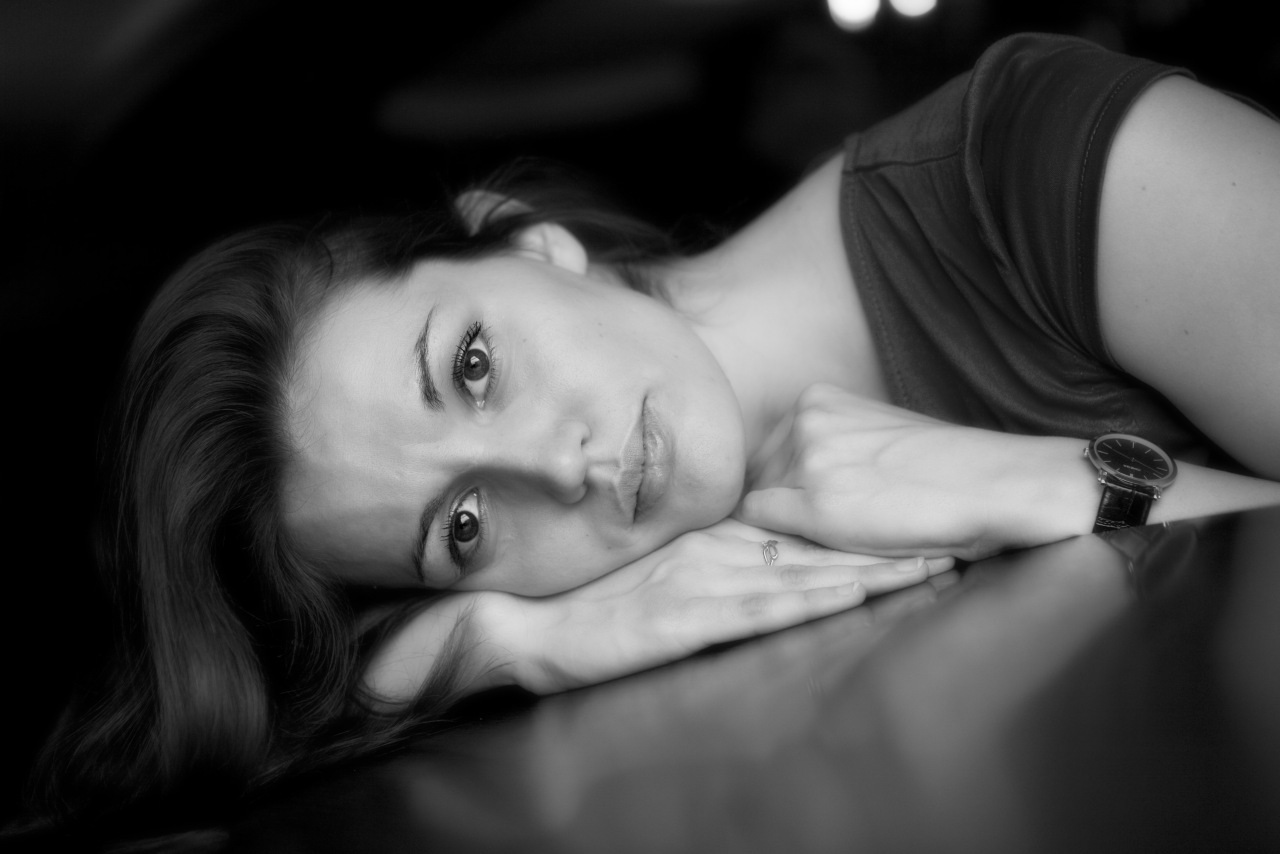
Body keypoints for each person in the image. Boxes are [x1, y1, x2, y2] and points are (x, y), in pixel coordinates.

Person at [27, 31, 1280, 831]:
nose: (555, 466)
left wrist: (1059, 485)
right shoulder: (584, 612)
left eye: (472, 367)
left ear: (524, 238)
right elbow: (248, 725)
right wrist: (496, 638)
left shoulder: (1029, 158)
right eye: (462, 524)